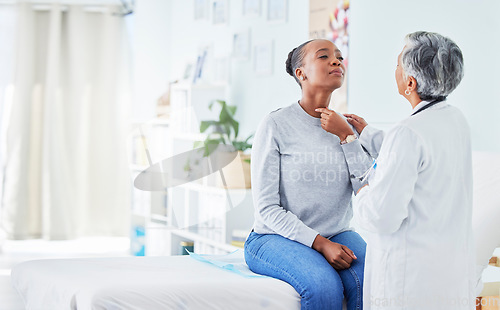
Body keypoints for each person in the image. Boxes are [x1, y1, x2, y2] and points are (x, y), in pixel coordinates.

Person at [331, 31, 474, 309]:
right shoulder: (455, 120)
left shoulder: (407, 133)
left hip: (410, 283)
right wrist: (367, 133)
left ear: (410, 82)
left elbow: (380, 217)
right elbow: (420, 157)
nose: (394, 69)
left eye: (398, 64)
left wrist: (362, 188)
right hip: (448, 274)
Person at [244, 39, 373, 310]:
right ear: (301, 74)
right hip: (273, 238)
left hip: (337, 232)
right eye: (324, 56)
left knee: (374, 279)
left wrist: (347, 136)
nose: (336, 61)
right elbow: (267, 209)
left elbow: (366, 190)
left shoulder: (345, 127)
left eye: (339, 56)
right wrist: (320, 244)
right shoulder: (276, 125)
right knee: (323, 286)